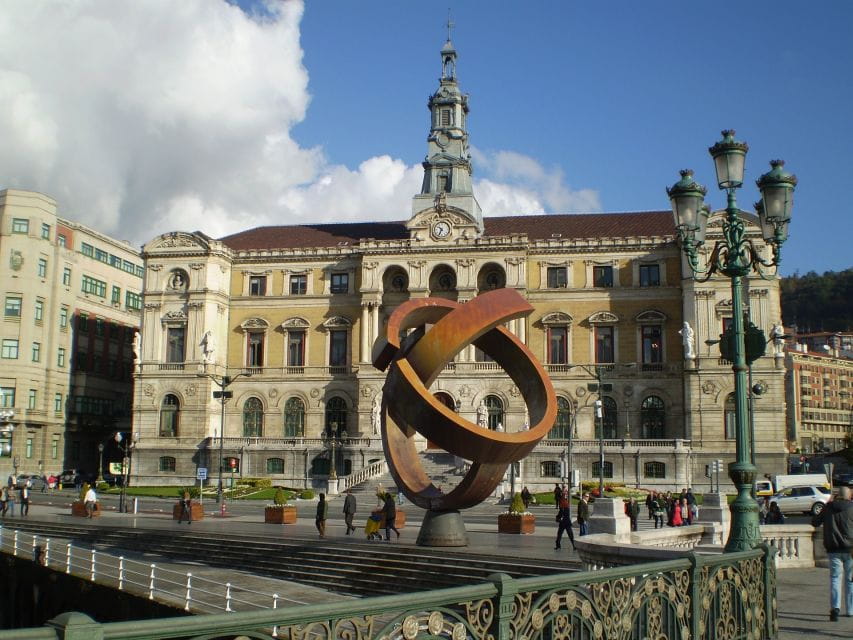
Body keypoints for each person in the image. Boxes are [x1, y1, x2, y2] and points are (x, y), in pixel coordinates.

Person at [812, 485, 853, 621]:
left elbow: (815, 522)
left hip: (833, 549)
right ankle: (850, 610)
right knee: (850, 580)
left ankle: (835, 608)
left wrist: (827, 505)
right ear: (849, 496)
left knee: (835, 578)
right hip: (851, 550)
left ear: (837, 495)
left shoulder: (828, 508)